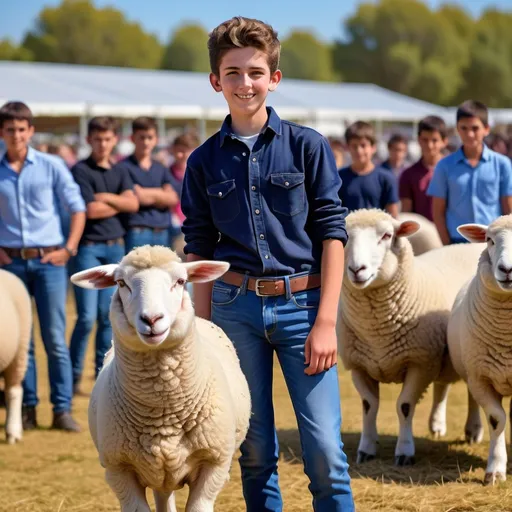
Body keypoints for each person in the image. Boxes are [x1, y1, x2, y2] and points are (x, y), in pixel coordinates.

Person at [180, 16, 354, 512]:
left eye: (255, 72)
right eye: (232, 73)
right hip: (235, 310)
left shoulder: (308, 146)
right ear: (216, 81)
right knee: (253, 449)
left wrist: (326, 321)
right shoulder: (203, 161)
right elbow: (198, 244)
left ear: (274, 78)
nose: (244, 83)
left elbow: (332, 233)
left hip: (304, 308)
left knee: (324, 451)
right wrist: (204, 328)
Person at [0, 101, 86, 431]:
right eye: (10, 130)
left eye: (22, 129)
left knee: (53, 336)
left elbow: (77, 208)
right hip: (10, 266)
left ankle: (62, 408)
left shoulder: (51, 166)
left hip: (49, 261)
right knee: (23, 341)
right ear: (2, 133)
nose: (17, 135)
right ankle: (27, 409)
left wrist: (69, 247)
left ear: (31, 131)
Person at [69, 116, 139, 394]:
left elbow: (132, 203)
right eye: (97, 139)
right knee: (86, 317)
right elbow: (90, 211)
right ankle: (74, 377)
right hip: (89, 247)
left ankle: (103, 375)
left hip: (116, 248)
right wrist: (118, 201)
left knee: (105, 316)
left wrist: (105, 198)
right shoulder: (80, 170)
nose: (102, 144)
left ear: (115, 140)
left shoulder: (120, 170)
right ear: (89, 140)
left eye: (108, 139)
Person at [428, 100, 512, 245]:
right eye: (464, 128)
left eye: (475, 128)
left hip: (491, 242)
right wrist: (447, 244)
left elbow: (508, 209)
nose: (470, 134)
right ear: (457, 130)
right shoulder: (444, 166)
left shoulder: (502, 164)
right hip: (456, 242)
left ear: (486, 129)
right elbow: (438, 211)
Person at [114, 116, 178, 253]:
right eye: (141, 137)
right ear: (132, 138)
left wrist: (147, 193)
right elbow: (137, 197)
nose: (146, 142)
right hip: (137, 232)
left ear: (156, 139)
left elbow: (172, 198)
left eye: (150, 137)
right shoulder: (123, 167)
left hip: (162, 232)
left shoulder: (160, 167)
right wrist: (160, 194)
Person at [339, 121, 399, 217]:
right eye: (354, 146)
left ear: (373, 147)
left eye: (363, 145)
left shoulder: (386, 178)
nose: (359, 150)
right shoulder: (339, 178)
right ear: (347, 148)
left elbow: (393, 216)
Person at [399, 116, 448, 221]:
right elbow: (406, 213)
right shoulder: (408, 175)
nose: (429, 145)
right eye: (425, 140)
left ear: (444, 141)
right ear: (418, 140)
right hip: (422, 234)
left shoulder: (455, 171)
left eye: (434, 140)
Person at [168, 132, 200, 253]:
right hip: (174, 227)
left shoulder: (200, 173)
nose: (182, 155)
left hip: (196, 226)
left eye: (187, 151)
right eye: (179, 151)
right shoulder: (167, 172)